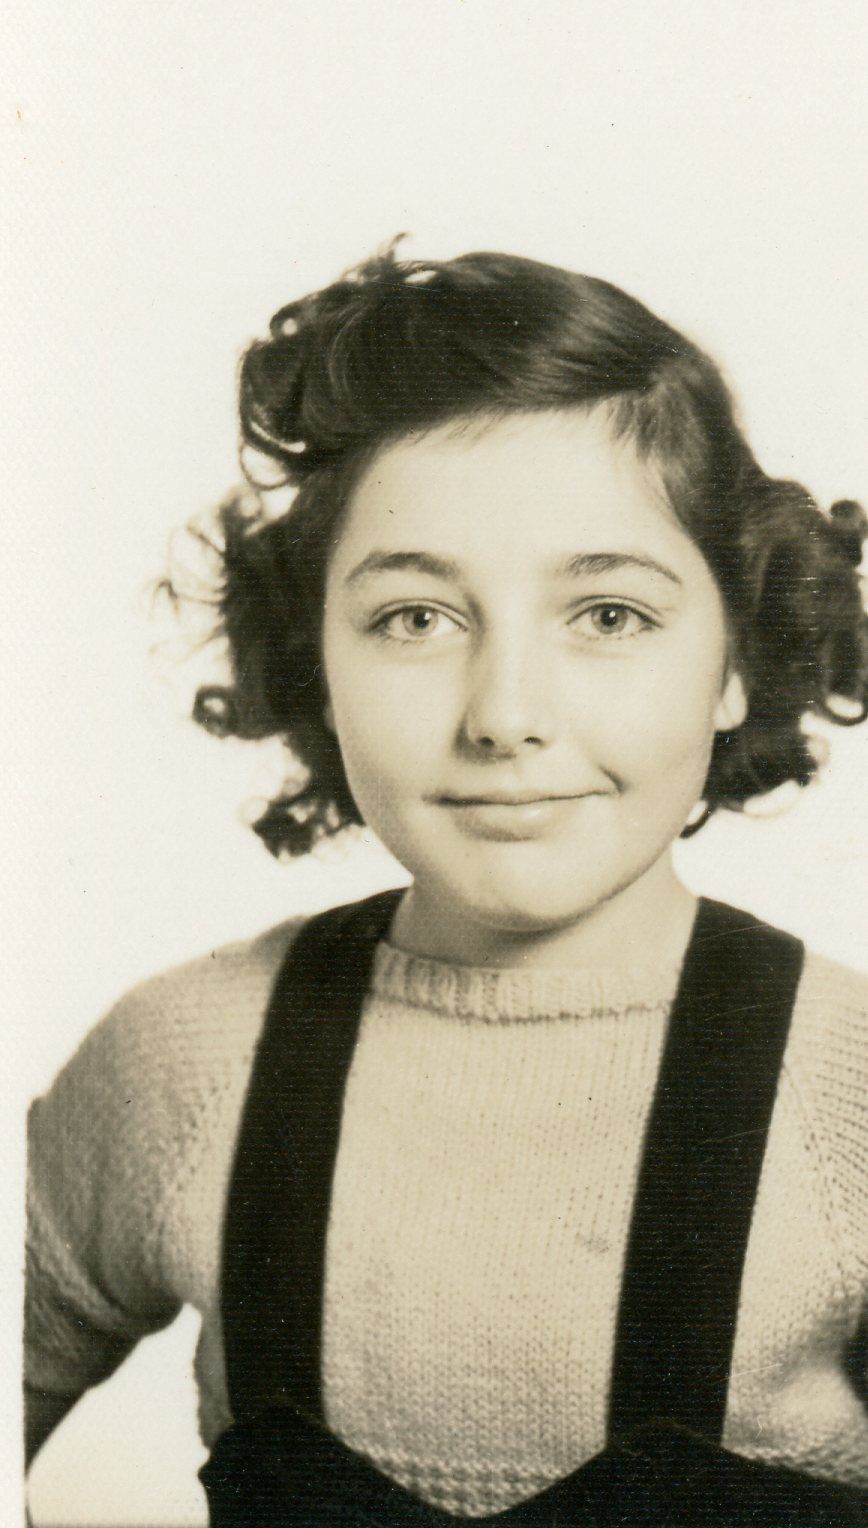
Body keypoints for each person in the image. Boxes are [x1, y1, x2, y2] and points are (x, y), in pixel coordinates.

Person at [25, 246, 868, 1523]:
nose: (505, 714)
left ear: (735, 659)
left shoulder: (847, 1091)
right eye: (416, 617)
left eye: (608, 615)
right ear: (315, 659)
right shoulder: (184, 1063)